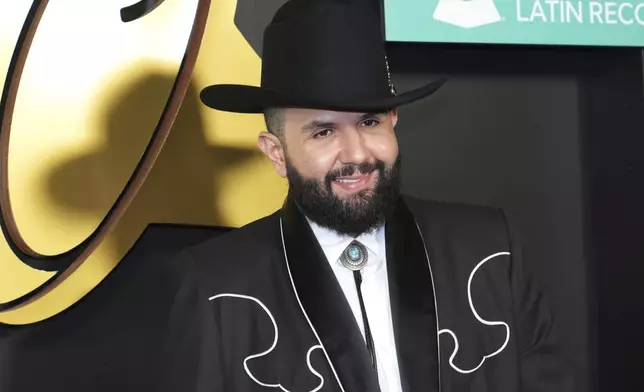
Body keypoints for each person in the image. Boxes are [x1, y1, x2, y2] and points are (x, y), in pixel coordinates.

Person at [158, 0, 575, 391]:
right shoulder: (213, 286)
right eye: (323, 132)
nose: (357, 154)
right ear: (276, 152)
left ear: (393, 121)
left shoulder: (489, 252)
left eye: (370, 121)